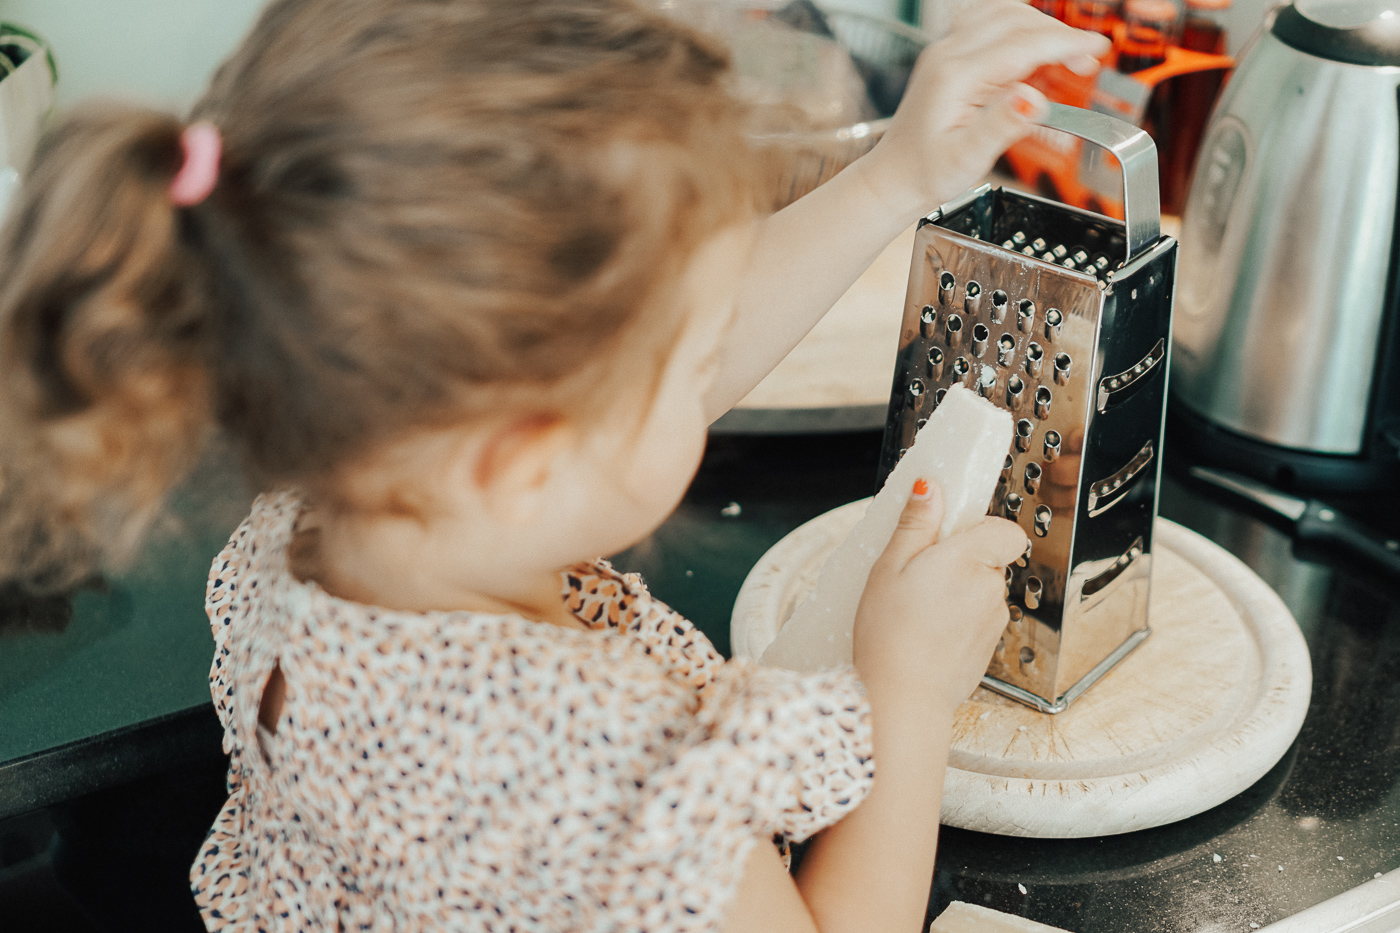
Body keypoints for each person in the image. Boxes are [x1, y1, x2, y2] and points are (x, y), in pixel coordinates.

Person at [0, 0, 1106, 929]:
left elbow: (597, 387)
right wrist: (905, 696)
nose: (713, 372)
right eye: (696, 361)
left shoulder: (311, 528)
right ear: (525, 459)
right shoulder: (600, 764)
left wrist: (887, 181)